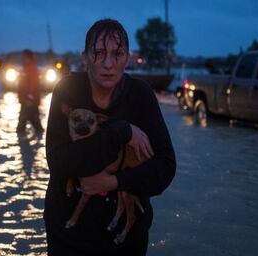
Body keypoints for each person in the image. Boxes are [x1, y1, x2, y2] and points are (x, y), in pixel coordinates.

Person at [45, 19, 176, 255]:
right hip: (68, 237)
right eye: (99, 53)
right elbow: (58, 162)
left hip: (125, 243)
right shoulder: (67, 90)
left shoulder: (141, 95)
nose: (108, 63)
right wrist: (122, 131)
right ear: (84, 57)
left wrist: (115, 182)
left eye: (117, 54)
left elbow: (165, 168)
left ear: (127, 58)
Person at [16, 49, 44, 133]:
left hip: (28, 100)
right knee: (33, 121)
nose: (22, 58)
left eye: (23, 57)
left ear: (28, 57)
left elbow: (32, 84)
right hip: (28, 100)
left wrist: (29, 98)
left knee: (23, 123)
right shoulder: (28, 67)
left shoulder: (31, 68)